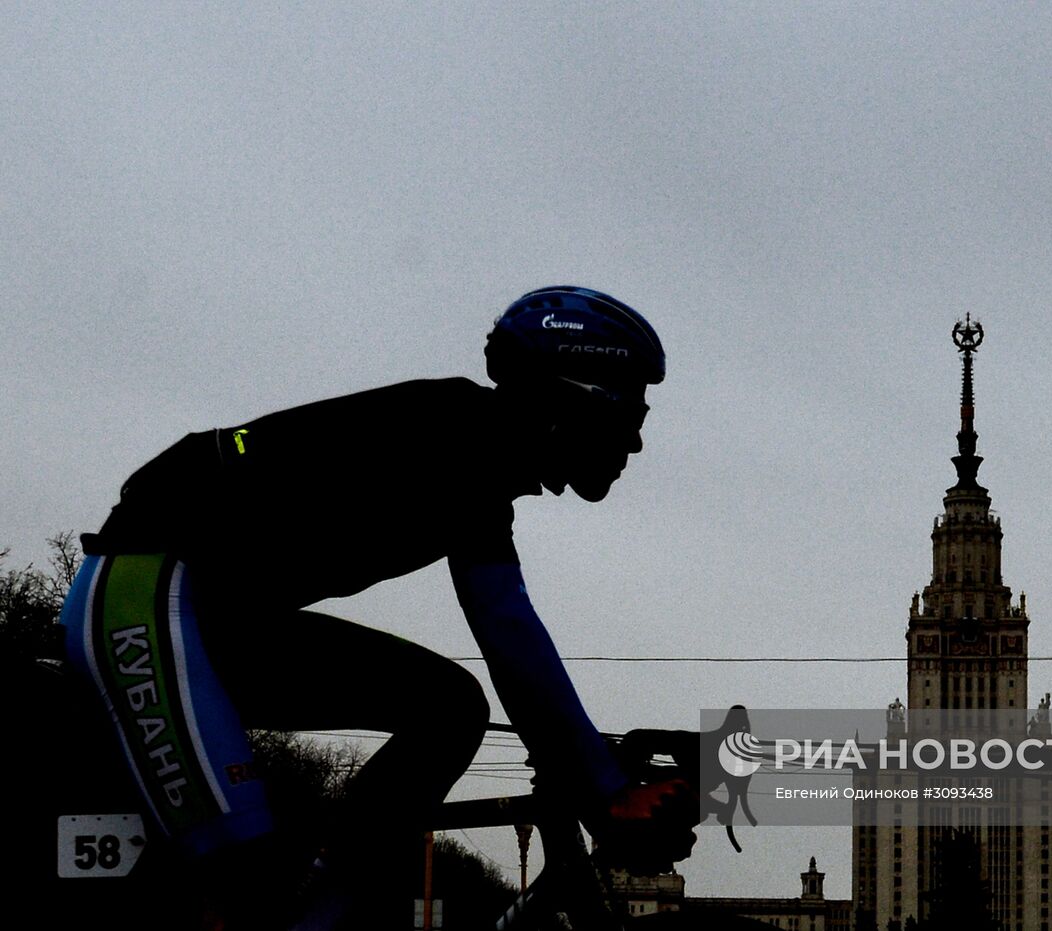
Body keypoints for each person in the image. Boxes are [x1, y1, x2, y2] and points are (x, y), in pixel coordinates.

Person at [59, 286, 696, 929]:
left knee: (448, 709)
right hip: (142, 597)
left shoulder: (474, 461)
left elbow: (513, 641)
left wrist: (611, 771)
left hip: (222, 625)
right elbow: (509, 634)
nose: (638, 442)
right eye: (635, 411)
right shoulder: (460, 432)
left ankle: (318, 908)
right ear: (581, 394)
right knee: (244, 880)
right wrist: (608, 788)